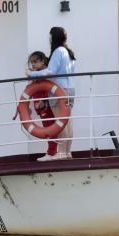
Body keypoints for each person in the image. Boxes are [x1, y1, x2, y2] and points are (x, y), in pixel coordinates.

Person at [25, 27, 77, 159]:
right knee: (68, 122)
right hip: (70, 89)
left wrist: (32, 74)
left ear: (53, 38)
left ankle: (61, 153)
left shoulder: (58, 51)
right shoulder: (68, 52)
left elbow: (50, 71)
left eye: (50, 37)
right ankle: (67, 152)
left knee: (60, 123)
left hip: (59, 90)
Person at [26, 51, 59, 161]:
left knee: (50, 128)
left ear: (43, 61)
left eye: (35, 62)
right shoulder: (36, 74)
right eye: (31, 63)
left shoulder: (44, 74)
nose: (33, 65)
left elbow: (48, 87)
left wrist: (44, 101)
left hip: (45, 106)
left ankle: (52, 153)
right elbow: (31, 89)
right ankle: (52, 152)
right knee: (47, 128)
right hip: (39, 106)